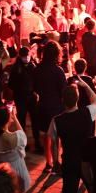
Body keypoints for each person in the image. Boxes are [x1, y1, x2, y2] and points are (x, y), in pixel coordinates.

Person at [32, 41, 66, 171]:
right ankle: (56, 161)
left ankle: (48, 162)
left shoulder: (37, 69)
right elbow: (63, 91)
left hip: (42, 105)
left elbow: (34, 88)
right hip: (56, 106)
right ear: (57, 54)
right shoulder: (58, 71)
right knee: (56, 136)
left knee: (45, 135)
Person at [0, 106, 31, 193]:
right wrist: (15, 116)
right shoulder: (17, 137)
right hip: (17, 172)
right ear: (8, 119)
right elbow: (22, 134)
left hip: (0, 174)